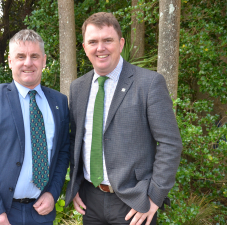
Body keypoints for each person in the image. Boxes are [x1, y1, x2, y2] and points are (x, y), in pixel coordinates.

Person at [65, 12, 182, 225]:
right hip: (89, 201)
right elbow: (76, 141)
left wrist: (155, 198)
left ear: (120, 43)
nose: (100, 48)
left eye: (107, 40)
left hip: (134, 202)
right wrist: (75, 186)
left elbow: (170, 143)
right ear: (84, 47)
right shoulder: (78, 87)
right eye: (93, 42)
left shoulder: (149, 83)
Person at [0, 29, 70, 225]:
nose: (28, 62)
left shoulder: (59, 102)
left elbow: (62, 152)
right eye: (21, 56)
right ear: (10, 61)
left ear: (44, 61)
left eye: (34, 56)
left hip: (40, 214)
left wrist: (53, 193)